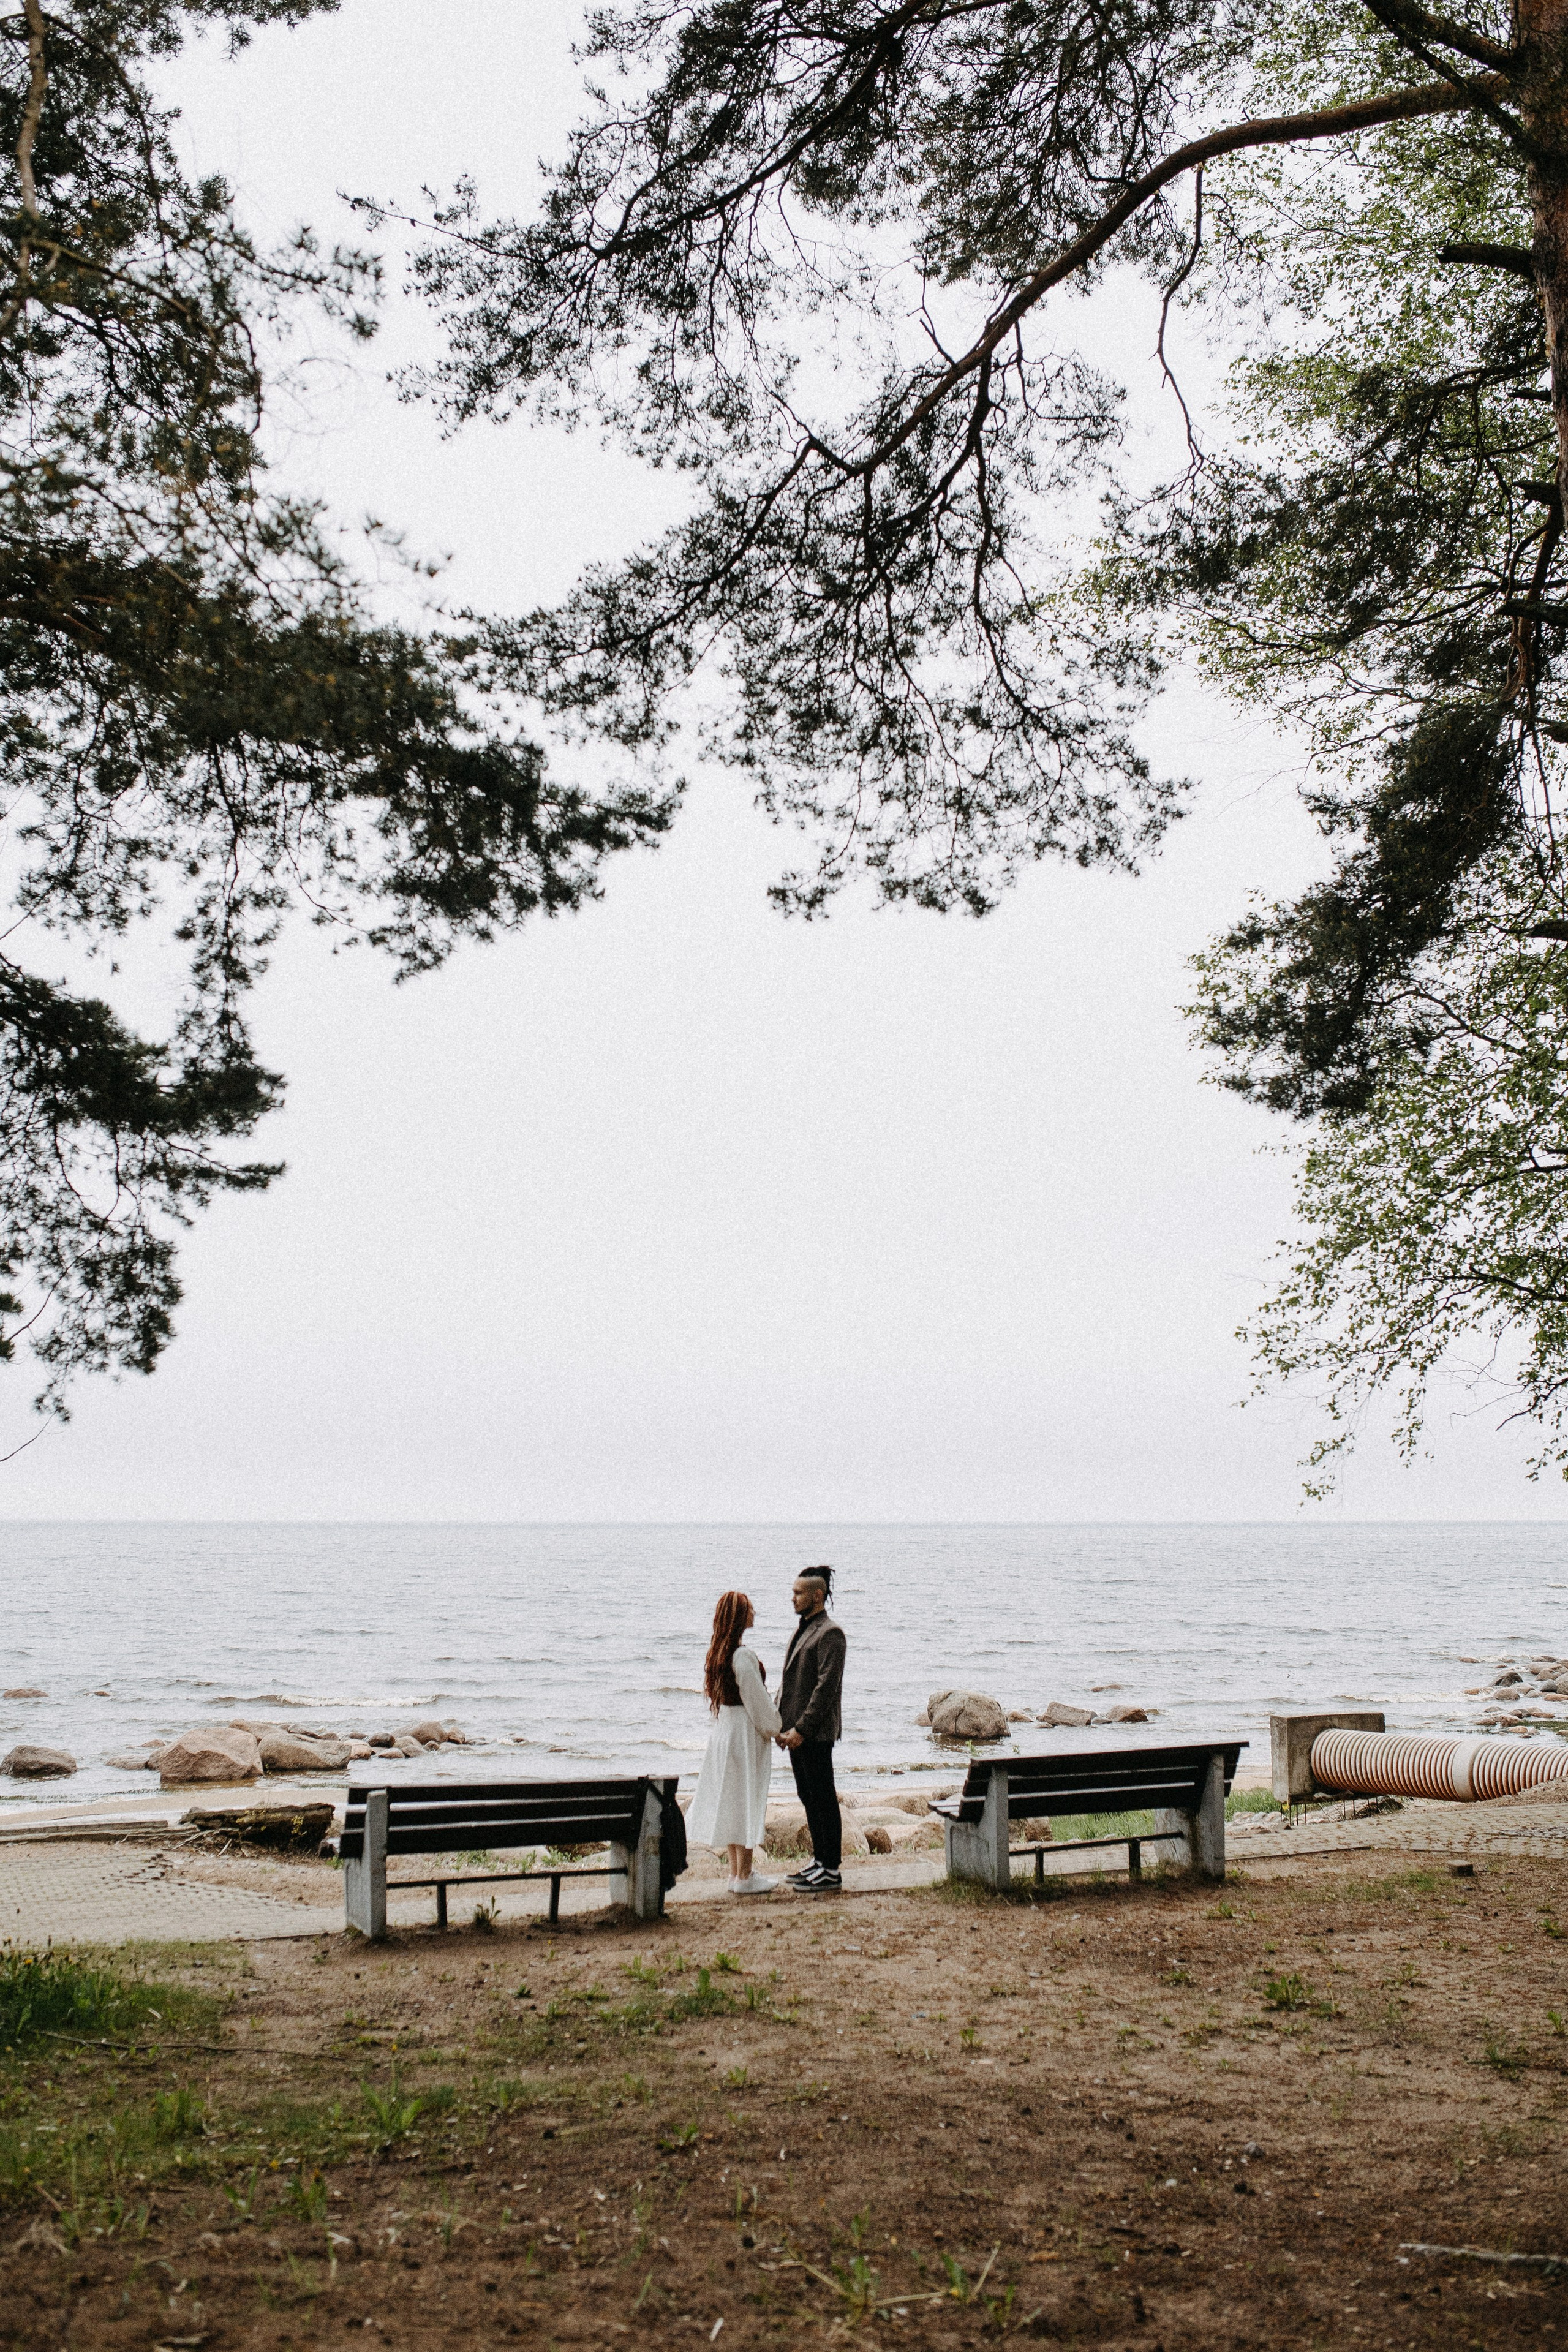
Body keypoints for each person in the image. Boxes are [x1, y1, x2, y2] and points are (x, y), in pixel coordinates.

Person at [687, 1590, 782, 1894]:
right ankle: (745, 1875)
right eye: (750, 1609)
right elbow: (756, 1701)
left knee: (732, 1800)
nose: (755, 1612)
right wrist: (776, 1728)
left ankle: (735, 1874)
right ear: (741, 1617)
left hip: (725, 1729)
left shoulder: (718, 1652)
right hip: (743, 1733)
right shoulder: (742, 1656)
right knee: (746, 1799)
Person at [777, 1564, 847, 1893]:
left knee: (823, 1798)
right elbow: (791, 1684)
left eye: (798, 1593)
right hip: (797, 1734)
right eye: (793, 1592)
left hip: (815, 1734)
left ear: (817, 1596)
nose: (792, 1598)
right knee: (809, 1796)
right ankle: (819, 1862)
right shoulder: (805, 1628)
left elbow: (825, 1689)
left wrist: (802, 1729)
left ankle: (831, 1869)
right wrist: (781, 1726)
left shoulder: (830, 1633)